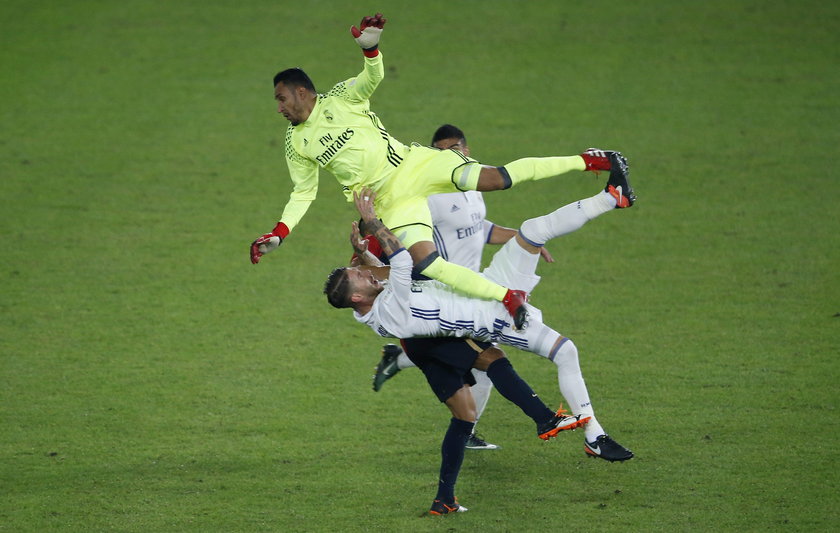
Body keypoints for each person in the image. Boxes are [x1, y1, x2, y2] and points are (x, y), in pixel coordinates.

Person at [251, 13, 632, 331]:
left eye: (281, 98)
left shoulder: (339, 97)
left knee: (496, 179)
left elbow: (372, 80)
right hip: (390, 201)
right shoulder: (295, 142)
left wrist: (370, 49)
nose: (279, 108)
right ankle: (508, 297)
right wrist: (279, 235)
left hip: (415, 164)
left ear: (302, 92)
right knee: (429, 265)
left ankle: (592, 160)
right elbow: (302, 192)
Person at [324, 154, 635, 465]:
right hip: (497, 319)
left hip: (490, 283)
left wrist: (362, 253)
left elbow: (381, 273)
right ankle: (595, 436)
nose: (366, 274)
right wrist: (373, 222)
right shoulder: (391, 312)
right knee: (566, 351)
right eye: (359, 278)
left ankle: (612, 197)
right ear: (356, 298)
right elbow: (402, 263)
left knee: (532, 231)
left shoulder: (377, 300)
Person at [368, 124, 555, 451]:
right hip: (444, 289)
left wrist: (524, 239)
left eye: (455, 148)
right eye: (441, 152)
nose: (450, 156)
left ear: (467, 149)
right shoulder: (434, 195)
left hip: (472, 287)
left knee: (475, 359)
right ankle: (475, 430)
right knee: (487, 359)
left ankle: (398, 359)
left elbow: (478, 228)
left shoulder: (473, 184)